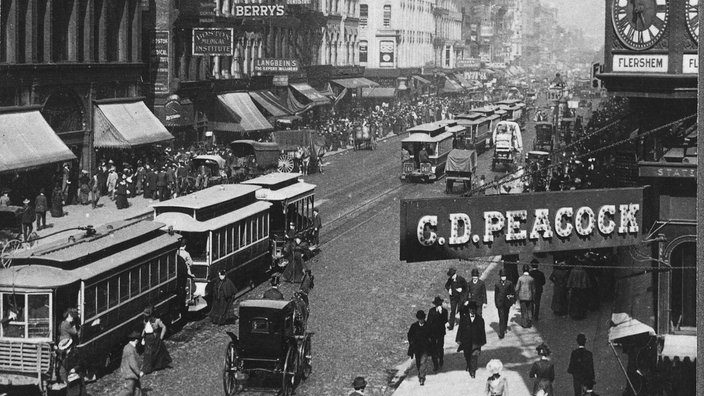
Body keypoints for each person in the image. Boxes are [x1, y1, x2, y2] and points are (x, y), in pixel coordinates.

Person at [457, 302, 486, 378]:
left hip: (476, 341)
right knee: (467, 355)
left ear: (476, 310)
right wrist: (458, 339)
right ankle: (469, 364)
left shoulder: (480, 320)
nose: (472, 310)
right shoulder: (464, 319)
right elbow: (460, 329)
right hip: (466, 340)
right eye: (470, 309)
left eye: (473, 309)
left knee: (474, 355)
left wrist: (483, 340)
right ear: (468, 309)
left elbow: (482, 331)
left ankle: (472, 370)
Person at [141, 306, 172, 374]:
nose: (146, 317)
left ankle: (148, 369)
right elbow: (145, 328)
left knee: (155, 352)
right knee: (148, 353)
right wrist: (143, 336)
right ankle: (147, 368)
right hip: (147, 338)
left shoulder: (157, 320)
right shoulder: (145, 321)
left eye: (148, 316)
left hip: (155, 338)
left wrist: (161, 337)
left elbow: (164, 327)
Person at [407, 310, 431, 385]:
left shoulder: (428, 325)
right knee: (418, 362)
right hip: (417, 348)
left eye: (422, 318)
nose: (421, 320)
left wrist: (430, 341)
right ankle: (420, 372)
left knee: (423, 362)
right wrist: (411, 342)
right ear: (418, 318)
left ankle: (422, 377)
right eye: (420, 318)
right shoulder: (414, 326)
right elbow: (409, 335)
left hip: (425, 348)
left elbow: (431, 335)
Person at [118, 330, 143, 396]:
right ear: (136, 340)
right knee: (128, 390)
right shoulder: (130, 349)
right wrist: (139, 372)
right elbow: (132, 363)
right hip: (130, 374)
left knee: (137, 389)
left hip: (132, 374)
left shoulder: (129, 347)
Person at [426, 296, 448, 372]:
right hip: (432, 333)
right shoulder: (431, 311)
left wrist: (441, 313)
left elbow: (445, 320)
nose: (438, 305)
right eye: (437, 304)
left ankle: (441, 360)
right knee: (433, 349)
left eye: (439, 304)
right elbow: (428, 322)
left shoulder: (444, 311)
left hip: (441, 332)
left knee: (440, 347)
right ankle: (435, 365)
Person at [494, 269, 515, 339]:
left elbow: (513, 293)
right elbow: (496, 295)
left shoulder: (509, 283)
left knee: (506, 316)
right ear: (500, 277)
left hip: (507, 303)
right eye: (502, 276)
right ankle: (501, 333)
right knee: (501, 318)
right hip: (500, 304)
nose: (503, 277)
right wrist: (496, 303)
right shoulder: (497, 284)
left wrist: (513, 302)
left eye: (504, 276)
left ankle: (505, 327)